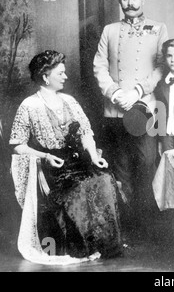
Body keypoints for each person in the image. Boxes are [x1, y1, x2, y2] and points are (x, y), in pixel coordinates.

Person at [9, 50, 122, 264]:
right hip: (53, 169)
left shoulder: (70, 101)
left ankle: (104, 246)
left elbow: (86, 132)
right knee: (79, 188)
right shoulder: (29, 106)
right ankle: (81, 248)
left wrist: (93, 155)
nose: (65, 77)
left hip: (78, 160)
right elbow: (17, 146)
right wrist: (44, 156)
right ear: (45, 76)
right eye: (60, 73)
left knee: (104, 179)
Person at [93, 0, 168, 235]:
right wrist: (114, 93)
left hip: (144, 108)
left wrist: (137, 91)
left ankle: (146, 227)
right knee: (121, 168)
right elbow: (99, 67)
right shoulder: (109, 30)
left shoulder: (159, 29)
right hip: (115, 110)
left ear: (143, 0)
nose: (131, 3)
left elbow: (161, 67)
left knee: (146, 164)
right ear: (120, 2)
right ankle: (124, 229)